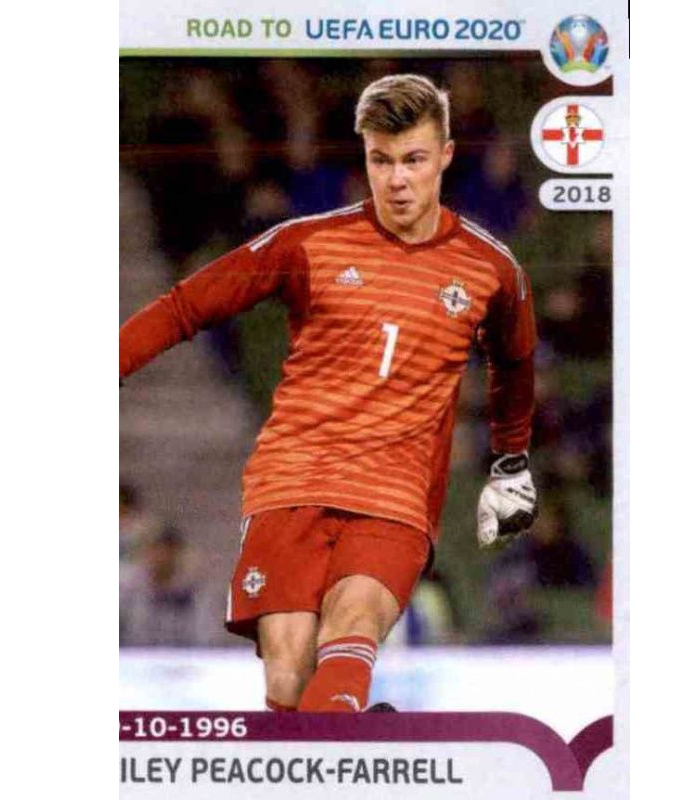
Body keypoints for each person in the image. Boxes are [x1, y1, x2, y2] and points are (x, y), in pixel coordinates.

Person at [120, 74, 539, 713]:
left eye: (414, 160)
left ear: (446, 156)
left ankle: (344, 722)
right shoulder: (307, 242)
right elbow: (187, 306)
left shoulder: (492, 269)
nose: (397, 179)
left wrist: (509, 460)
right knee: (288, 680)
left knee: (353, 625)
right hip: (292, 481)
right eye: (381, 160)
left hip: (393, 493)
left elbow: (515, 364)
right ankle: (348, 735)